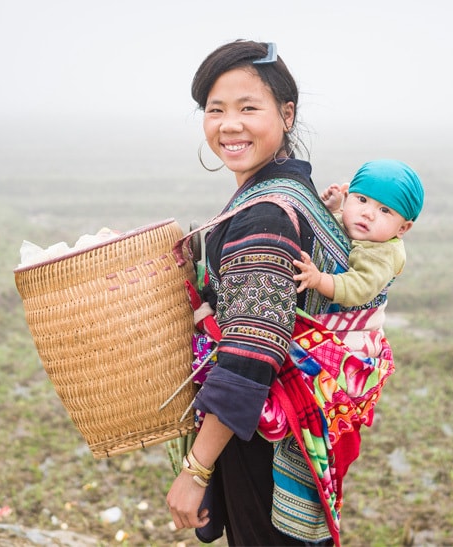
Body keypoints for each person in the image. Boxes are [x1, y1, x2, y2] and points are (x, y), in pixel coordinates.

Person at [166, 39, 374, 547]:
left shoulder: (264, 213)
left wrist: (195, 470)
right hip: (299, 438)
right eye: (215, 110)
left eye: (247, 108)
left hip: (264, 445)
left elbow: (251, 352)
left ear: (286, 113)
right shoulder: (297, 191)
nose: (229, 125)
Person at [293, 159, 424, 309]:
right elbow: (342, 229)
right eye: (362, 199)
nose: (368, 214)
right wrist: (333, 211)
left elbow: (359, 288)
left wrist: (319, 280)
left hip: (350, 329)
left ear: (402, 228)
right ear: (347, 198)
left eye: (385, 210)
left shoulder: (383, 254)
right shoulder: (357, 225)